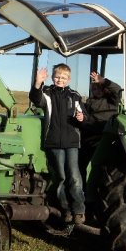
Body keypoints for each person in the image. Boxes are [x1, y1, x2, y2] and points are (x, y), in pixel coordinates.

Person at [29, 64, 86, 225]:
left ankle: (79, 210)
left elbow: (83, 115)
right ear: (53, 78)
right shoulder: (47, 93)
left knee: (74, 176)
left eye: (63, 77)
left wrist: (82, 118)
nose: (60, 80)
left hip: (71, 142)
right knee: (60, 177)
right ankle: (66, 210)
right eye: (57, 77)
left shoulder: (74, 96)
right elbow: (36, 99)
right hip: (54, 141)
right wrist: (37, 83)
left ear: (69, 79)